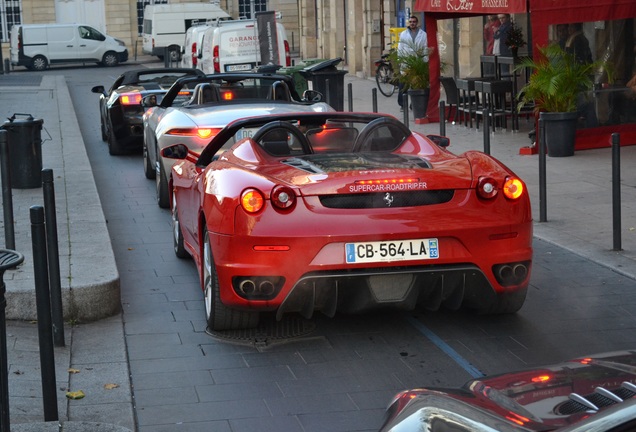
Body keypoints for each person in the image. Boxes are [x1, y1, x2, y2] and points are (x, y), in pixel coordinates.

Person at [397, 15, 428, 111]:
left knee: (416, 85)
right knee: (403, 85)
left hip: (418, 63)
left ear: (417, 23)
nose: (412, 23)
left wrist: (425, 62)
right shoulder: (403, 34)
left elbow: (425, 48)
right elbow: (400, 47)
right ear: (409, 23)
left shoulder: (423, 34)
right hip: (406, 62)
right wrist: (400, 60)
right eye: (410, 22)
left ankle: (413, 104)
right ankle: (402, 104)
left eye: (414, 21)